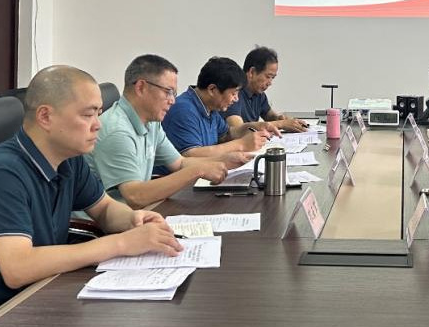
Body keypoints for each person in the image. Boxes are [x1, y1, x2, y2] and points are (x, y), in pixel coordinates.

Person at [0, 66, 183, 314]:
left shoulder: (68, 158)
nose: (98, 125)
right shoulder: (0, 174)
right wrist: (121, 243)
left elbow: (104, 208)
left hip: (38, 295)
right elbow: (17, 268)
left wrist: (133, 219)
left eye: (98, 113)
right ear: (45, 117)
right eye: (88, 115)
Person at [87, 54, 244, 210]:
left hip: (140, 211)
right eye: (168, 91)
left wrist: (225, 161)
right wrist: (199, 170)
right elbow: (135, 196)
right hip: (110, 220)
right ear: (141, 87)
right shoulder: (117, 131)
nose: (172, 100)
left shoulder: (151, 122)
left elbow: (179, 163)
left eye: (173, 94)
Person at [161, 56, 279, 159]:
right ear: (212, 89)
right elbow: (191, 155)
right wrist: (241, 144)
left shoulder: (210, 107)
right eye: (233, 93)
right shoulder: (183, 110)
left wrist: (255, 126)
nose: (236, 99)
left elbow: (226, 135)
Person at [223, 46, 308, 133]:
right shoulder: (234, 93)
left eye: (272, 78)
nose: (270, 83)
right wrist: (280, 124)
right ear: (252, 72)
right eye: (268, 77)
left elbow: (269, 115)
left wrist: (281, 119)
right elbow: (237, 129)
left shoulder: (259, 94)